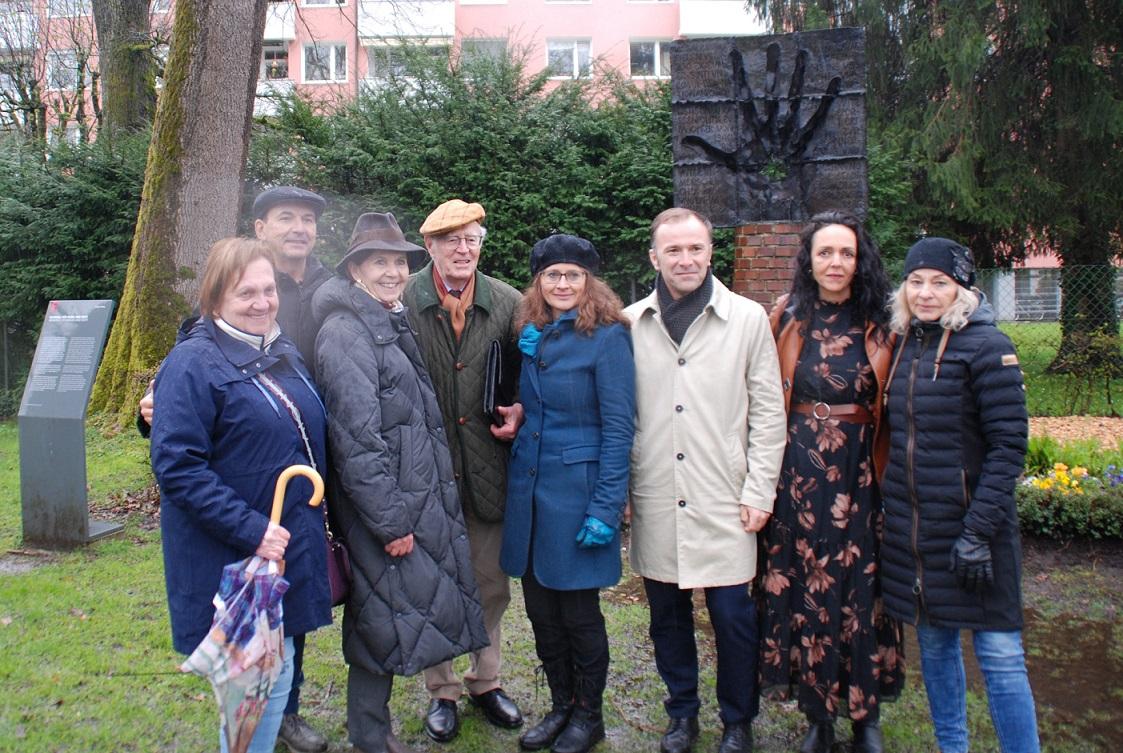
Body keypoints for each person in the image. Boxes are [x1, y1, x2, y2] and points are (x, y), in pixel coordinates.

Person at [140, 186, 333, 753]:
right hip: (236, 556)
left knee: (274, 673)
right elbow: (176, 466)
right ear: (214, 298)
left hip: (282, 546)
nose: (261, 301)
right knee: (251, 689)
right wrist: (253, 529)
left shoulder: (276, 347)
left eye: (268, 289)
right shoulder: (194, 362)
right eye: (245, 292)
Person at [311, 212, 490, 753]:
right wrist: (390, 521)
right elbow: (356, 439)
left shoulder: (386, 318)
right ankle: (370, 737)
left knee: (390, 618)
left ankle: (374, 733)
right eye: (378, 262)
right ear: (356, 270)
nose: (392, 272)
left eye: (397, 262)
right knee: (376, 623)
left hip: (410, 499)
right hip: (383, 509)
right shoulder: (345, 331)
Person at [625, 208, 787, 753]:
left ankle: (738, 720)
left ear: (710, 252)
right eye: (673, 250)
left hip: (725, 497)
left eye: (695, 248)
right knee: (667, 618)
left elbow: (768, 412)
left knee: (733, 619)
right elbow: (620, 414)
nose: (685, 259)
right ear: (654, 257)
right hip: (657, 493)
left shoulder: (746, 319)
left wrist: (759, 489)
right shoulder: (630, 323)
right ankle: (682, 714)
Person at [880, 238, 1039, 753]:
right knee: (937, 651)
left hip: (978, 534)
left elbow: (1009, 447)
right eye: (917, 282)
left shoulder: (988, 347)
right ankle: (954, 747)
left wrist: (976, 532)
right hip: (919, 537)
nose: (926, 293)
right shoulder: (905, 344)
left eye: (940, 283)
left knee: (999, 656)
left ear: (962, 288)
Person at [760, 211, 904, 753]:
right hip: (797, 473)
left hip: (861, 474)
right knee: (807, 584)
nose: (836, 263)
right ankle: (818, 716)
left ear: (859, 259)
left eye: (846, 253)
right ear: (809, 260)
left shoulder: (885, 322)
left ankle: (865, 717)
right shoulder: (786, 319)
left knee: (862, 591)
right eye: (825, 253)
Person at [500, 234, 636, 753]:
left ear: (588, 282)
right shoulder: (533, 332)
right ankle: (560, 704)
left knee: (578, 615)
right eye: (552, 275)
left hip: (578, 497)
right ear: (538, 282)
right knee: (540, 612)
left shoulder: (608, 338)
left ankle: (588, 715)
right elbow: (537, 411)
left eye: (572, 275)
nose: (562, 283)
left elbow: (619, 427)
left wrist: (606, 506)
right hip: (531, 496)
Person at [402, 199, 525, 742]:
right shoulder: (403, 300)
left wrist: (520, 407)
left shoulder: (509, 302)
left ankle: (487, 679)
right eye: (451, 240)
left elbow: (528, 374)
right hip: (426, 467)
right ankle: (442, 690)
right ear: (429, 247)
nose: (463, 250)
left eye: (472, 240)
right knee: (433, 583)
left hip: (487, 468)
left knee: (490, 582)